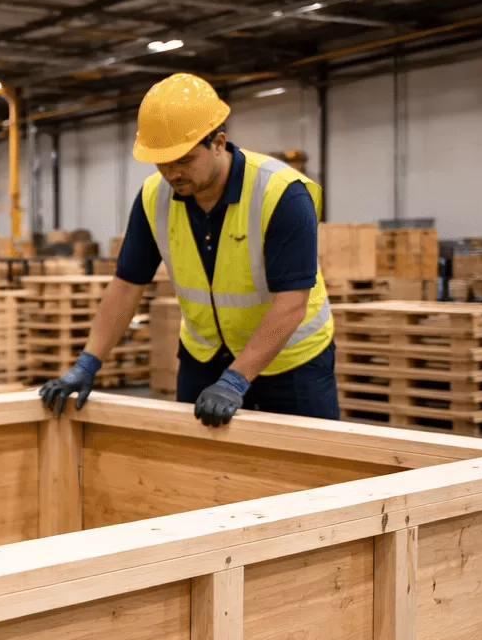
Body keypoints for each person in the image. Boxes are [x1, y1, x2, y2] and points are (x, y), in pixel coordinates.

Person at [40, 72, 337, 426]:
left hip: (292, 361)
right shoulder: (155, 196)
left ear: (218, 142)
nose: (172, 173)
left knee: (305, 472)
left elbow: (291, 302)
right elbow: (127, 285)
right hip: (205, 356)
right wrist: (88, 362)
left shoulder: (280, 194)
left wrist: (235, 379)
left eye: (183, 159)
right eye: (162, 161)